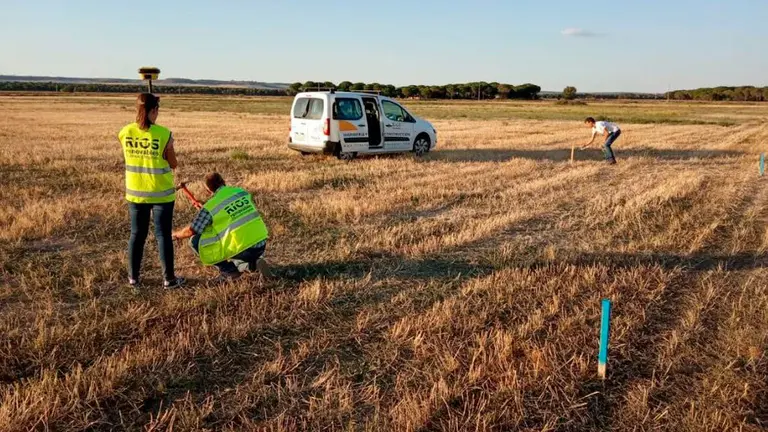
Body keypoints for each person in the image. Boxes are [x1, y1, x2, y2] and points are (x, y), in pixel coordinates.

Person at [119, 93, 185, 289]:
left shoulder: (125, 132)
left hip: (136, 193)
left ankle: (133, 279)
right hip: (161, 193)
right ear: (153, 111)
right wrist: (169, 148)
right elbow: (173, 164)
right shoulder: (164, 134)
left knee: (136, 235)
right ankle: (169, 280)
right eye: (157, 110)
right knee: (163, 235)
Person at [172, 172, 271, 281]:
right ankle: (254, 264)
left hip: (243, 248)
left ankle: (230, 271)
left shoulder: (211, 207)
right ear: (223, 181)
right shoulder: (240, 192)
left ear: (208, 190)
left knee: (195, 241)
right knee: (240, 251)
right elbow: (230, 215)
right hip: (261, 243)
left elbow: (192, 230)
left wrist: (175, 234)